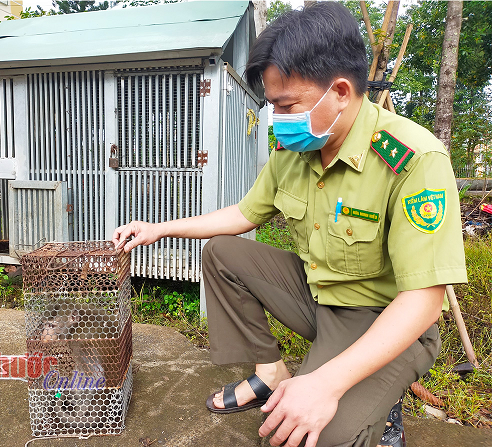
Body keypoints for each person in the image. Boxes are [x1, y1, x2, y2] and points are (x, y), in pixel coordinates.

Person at [112, 3, 467, 446]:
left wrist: (325, 384)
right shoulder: (296, 151)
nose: (277, 120)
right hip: (318, 295)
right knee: (223, 253)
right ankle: (270, 373)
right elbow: (244, 215)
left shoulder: (413, 161)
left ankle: (379, 406)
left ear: (339, 91)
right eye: (272, 107)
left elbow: (424, 301)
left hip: (382, 318)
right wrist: (159, 229)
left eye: (286, 105)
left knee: (304, 435)